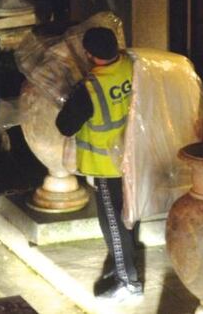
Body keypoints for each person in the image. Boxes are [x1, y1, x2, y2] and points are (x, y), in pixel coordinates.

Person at [55, 27, 143, 301]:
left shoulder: (89, 88)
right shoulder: (132, 65)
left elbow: (65, 126)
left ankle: (128, 283)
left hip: (107, 166)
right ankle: (125, 263)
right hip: (135, 157)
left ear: (89, 54)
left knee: (114, 224)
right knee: (130, 217)